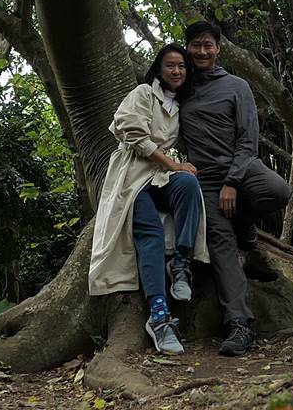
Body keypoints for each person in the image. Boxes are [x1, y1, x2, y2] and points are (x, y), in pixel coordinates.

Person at [178, 20, 290, 356]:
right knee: (221, 247)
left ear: (218, 49)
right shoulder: (181, 87)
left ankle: (246, 229)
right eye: (196, 45)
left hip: (241, 169)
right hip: (203, 182)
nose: (202, 51)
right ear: (187, 48)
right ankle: (240, 324)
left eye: (208, 45)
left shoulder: (237, 86)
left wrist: (232, 182)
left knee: (277, 190)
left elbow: (248, 140)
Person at [88, 44, 208, 355]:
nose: (177, 71)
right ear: (158, 69)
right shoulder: (143, 93)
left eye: (182, 66)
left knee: (188, 184)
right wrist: (174, 164)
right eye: (170, 65)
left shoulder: (178, 106)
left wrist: (180, 168)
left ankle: (181, 264)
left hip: (159, 176)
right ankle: (158, 315)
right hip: (132, 177)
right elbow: (134, 135)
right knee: (149, 232)